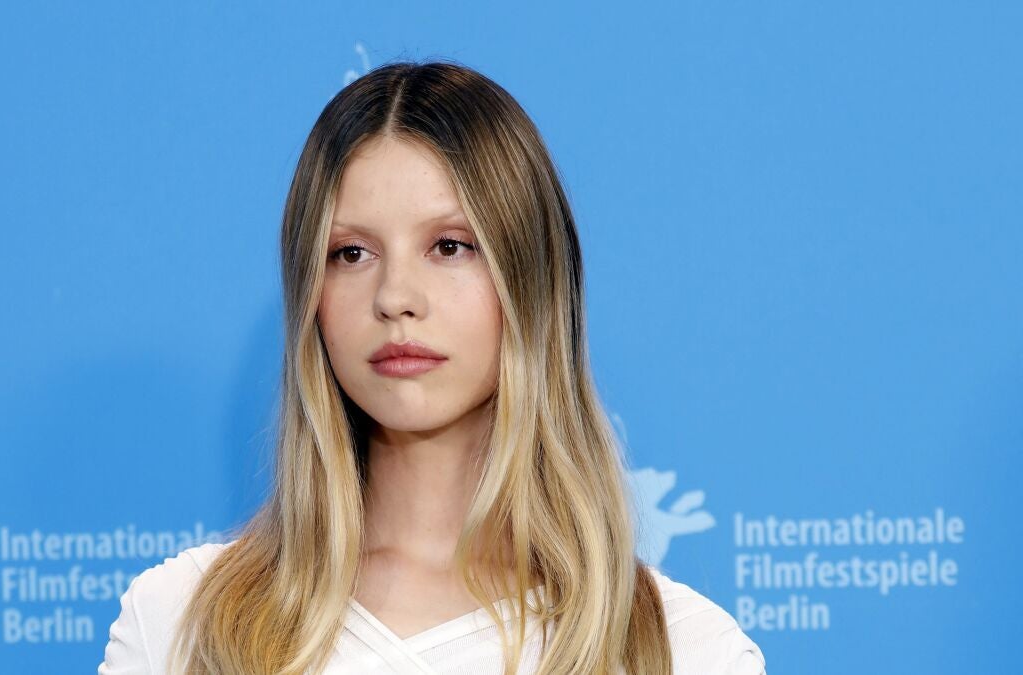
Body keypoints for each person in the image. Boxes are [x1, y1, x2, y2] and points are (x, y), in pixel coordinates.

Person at [99, 60, 766, 675]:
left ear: (532, 281)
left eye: (449, 246)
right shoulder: (178, 622)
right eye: (351, 253)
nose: (395, 297)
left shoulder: (686, 649)